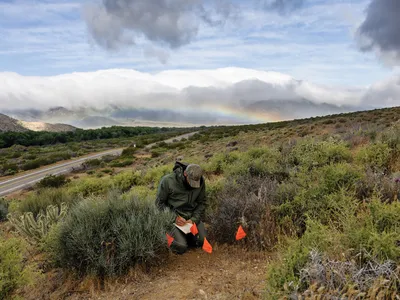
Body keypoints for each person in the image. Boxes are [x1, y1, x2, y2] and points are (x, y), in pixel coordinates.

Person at [156, 161, 207, 254]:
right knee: (181, 247)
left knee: (202, 241)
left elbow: (202, 203)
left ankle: (186, 237)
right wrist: (174, 218)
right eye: (191, 181)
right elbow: (159, 204)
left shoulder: (200, 181)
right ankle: (165, 235)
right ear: (185, 174)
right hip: (173, 219)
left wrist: (193, 219)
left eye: (196, 182)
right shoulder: (167, 181)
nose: (193, 185)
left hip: (191, 218)